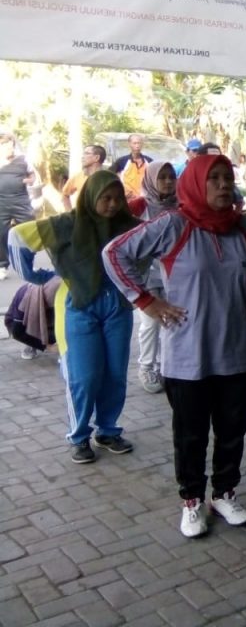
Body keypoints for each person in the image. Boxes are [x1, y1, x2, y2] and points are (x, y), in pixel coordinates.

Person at [103, 154, 246, 539]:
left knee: (233, 429)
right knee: (191, 435)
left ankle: (224, 494)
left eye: (228, 177)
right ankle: (191, 500)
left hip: (234, 352)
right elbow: (114, 253)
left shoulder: (245, 227)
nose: (223, 184)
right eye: (214, 178)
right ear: (196, 183)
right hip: (186, 356)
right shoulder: (174, 225)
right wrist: (146, 300)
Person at [8, 171, 139, 464]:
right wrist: (36, 276)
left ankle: (108, 431)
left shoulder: (128, 226)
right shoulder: (66, 224)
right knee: (84, 376)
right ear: (90, 197)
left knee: (115, 374)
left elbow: (159, 243)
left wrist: (141, 286)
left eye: (118, 198)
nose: (112, 204)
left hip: (118, 307)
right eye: (105, 198)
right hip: (78, 306)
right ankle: (79, 437)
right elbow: (18, 237)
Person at [126, 161, 179, 394]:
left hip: (174, 274)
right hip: (146, 275)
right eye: (162, 177)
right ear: (150, 179)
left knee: (172, 319)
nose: (168, 181)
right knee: (150, 322)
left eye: (171, 176)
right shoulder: (138, 206)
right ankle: (147, 367)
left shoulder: (181, 204)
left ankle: (165, 366)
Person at [0, 131, 37, 280]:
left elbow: (32, 175)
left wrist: (28, 180)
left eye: (10, 146)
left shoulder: (23, 159)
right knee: (1, 234)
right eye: (4, 146)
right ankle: (2, 266)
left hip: (21, 201)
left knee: (28, 232)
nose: (8, 148)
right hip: (1, 202)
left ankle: (28, 264)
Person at [4, 275, 60, 359]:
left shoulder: (57, 284)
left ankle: (40, 340)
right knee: (51, 336)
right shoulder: (26, 297)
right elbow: (17, 332)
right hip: (18, 324)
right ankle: (31, 343)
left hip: (46, 316)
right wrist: (49, 347)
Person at [62, 145, 106, 210]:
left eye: (86, 153)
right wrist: (70, 213)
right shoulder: (78, 176)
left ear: (97, 158)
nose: (82, 157)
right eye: (83, 154)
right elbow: (65, 195)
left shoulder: (108, 178)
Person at [111, 134, 152, 201]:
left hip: (145, 200)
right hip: (127, 200)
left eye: (139, 143)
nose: (137, 146)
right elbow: (109, 176)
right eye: (134, 143)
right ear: (129, 144)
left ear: (142, 144)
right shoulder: (122, 161)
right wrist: (120, 191)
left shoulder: (149, 161)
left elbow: (155, 179)